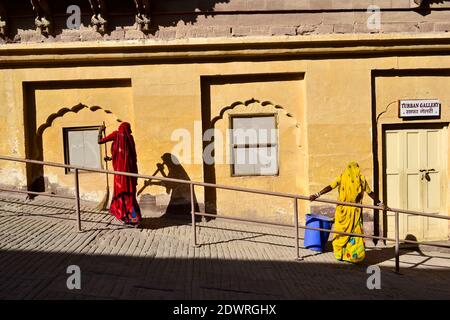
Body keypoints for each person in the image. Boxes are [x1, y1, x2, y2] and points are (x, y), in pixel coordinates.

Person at [309, 162, 385, 263]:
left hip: (342, 211)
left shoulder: (343, 176)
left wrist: (316, 194)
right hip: (355, 212)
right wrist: (381, 204)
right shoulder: (361, 179)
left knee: (341, 233)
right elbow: (370, 193)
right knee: (355, 234)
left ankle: (340, 254)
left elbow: (330, 187)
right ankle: (354, 256)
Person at [98, 122, 142, 226]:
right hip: (129, 173)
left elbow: (100, 141)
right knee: (129, 195)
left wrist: (100, 130)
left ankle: (130, 218)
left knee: (122, 195)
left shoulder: (116, 134)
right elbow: (127, 156)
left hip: (119, 174)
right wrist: (111, 158)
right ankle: (132, 218)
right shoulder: (130, 139)